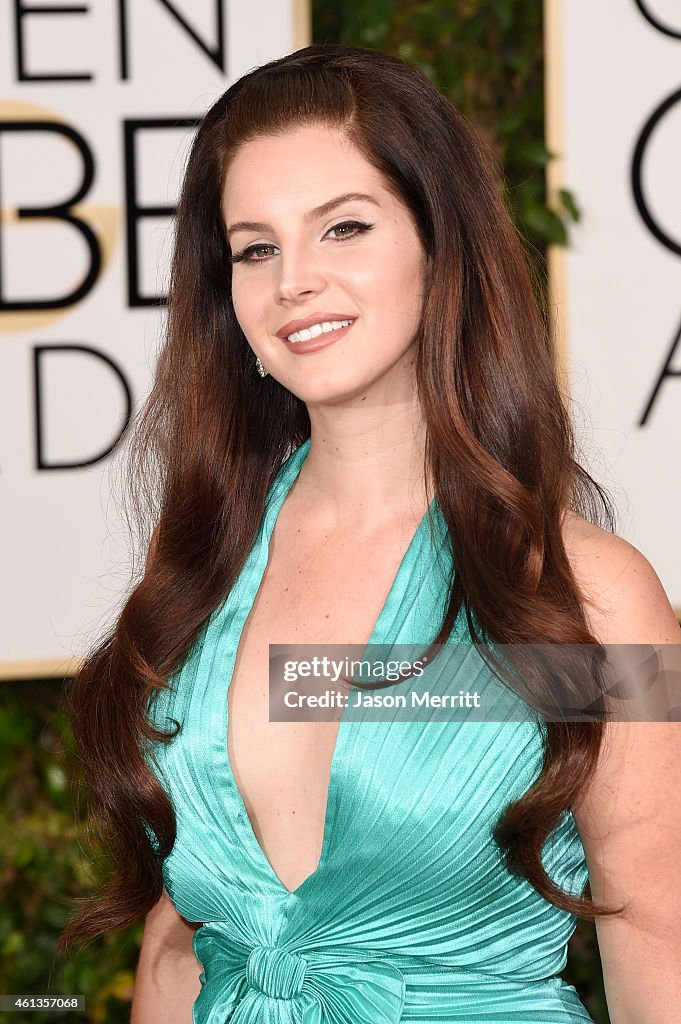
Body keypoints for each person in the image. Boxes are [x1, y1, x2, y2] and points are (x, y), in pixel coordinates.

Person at [62, 44, 681, 1023]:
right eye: (254, 248)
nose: (293, 280)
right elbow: (178, 941)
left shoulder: (591, 601)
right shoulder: (202, 574)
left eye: (343, 227)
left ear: (442, 251)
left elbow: (661, 954)